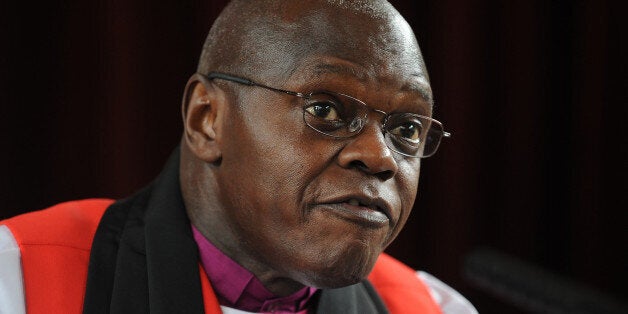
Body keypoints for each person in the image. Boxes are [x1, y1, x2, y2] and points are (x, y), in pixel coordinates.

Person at [0, 0, 477, 313]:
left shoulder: (429, 308)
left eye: (407, 129)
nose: (380, 158)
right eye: (326, 109)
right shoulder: (21, 278)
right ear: (207, 119)